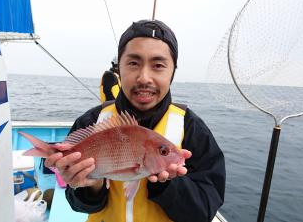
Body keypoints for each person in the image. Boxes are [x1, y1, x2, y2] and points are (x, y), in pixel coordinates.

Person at [45, 19, 225, 222]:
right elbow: (77, 204)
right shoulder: (91, 121)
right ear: (119, 68)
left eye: (158, 65)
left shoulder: (192, 129)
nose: (144, 77)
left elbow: (203, 213)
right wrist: (90, 186)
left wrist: (167, 184)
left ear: (172, 71)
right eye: (133, 63)